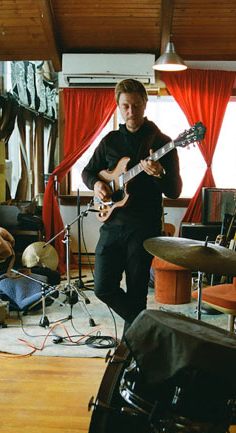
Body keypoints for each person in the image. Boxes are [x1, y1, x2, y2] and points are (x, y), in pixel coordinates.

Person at [81, 78, 182, 332]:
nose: (131, 111)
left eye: (136, 105)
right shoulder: (110, 140)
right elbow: (88, 171)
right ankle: (147, 326)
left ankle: (131, 348)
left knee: (137, 292)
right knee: (103, 287)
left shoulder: (163, 143)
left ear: (145, 104)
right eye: (125, 106)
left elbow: (175, 191)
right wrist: (96, 184)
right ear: (118, 106)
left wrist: (159, 173)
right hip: (112, 224)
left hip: (143, 228)